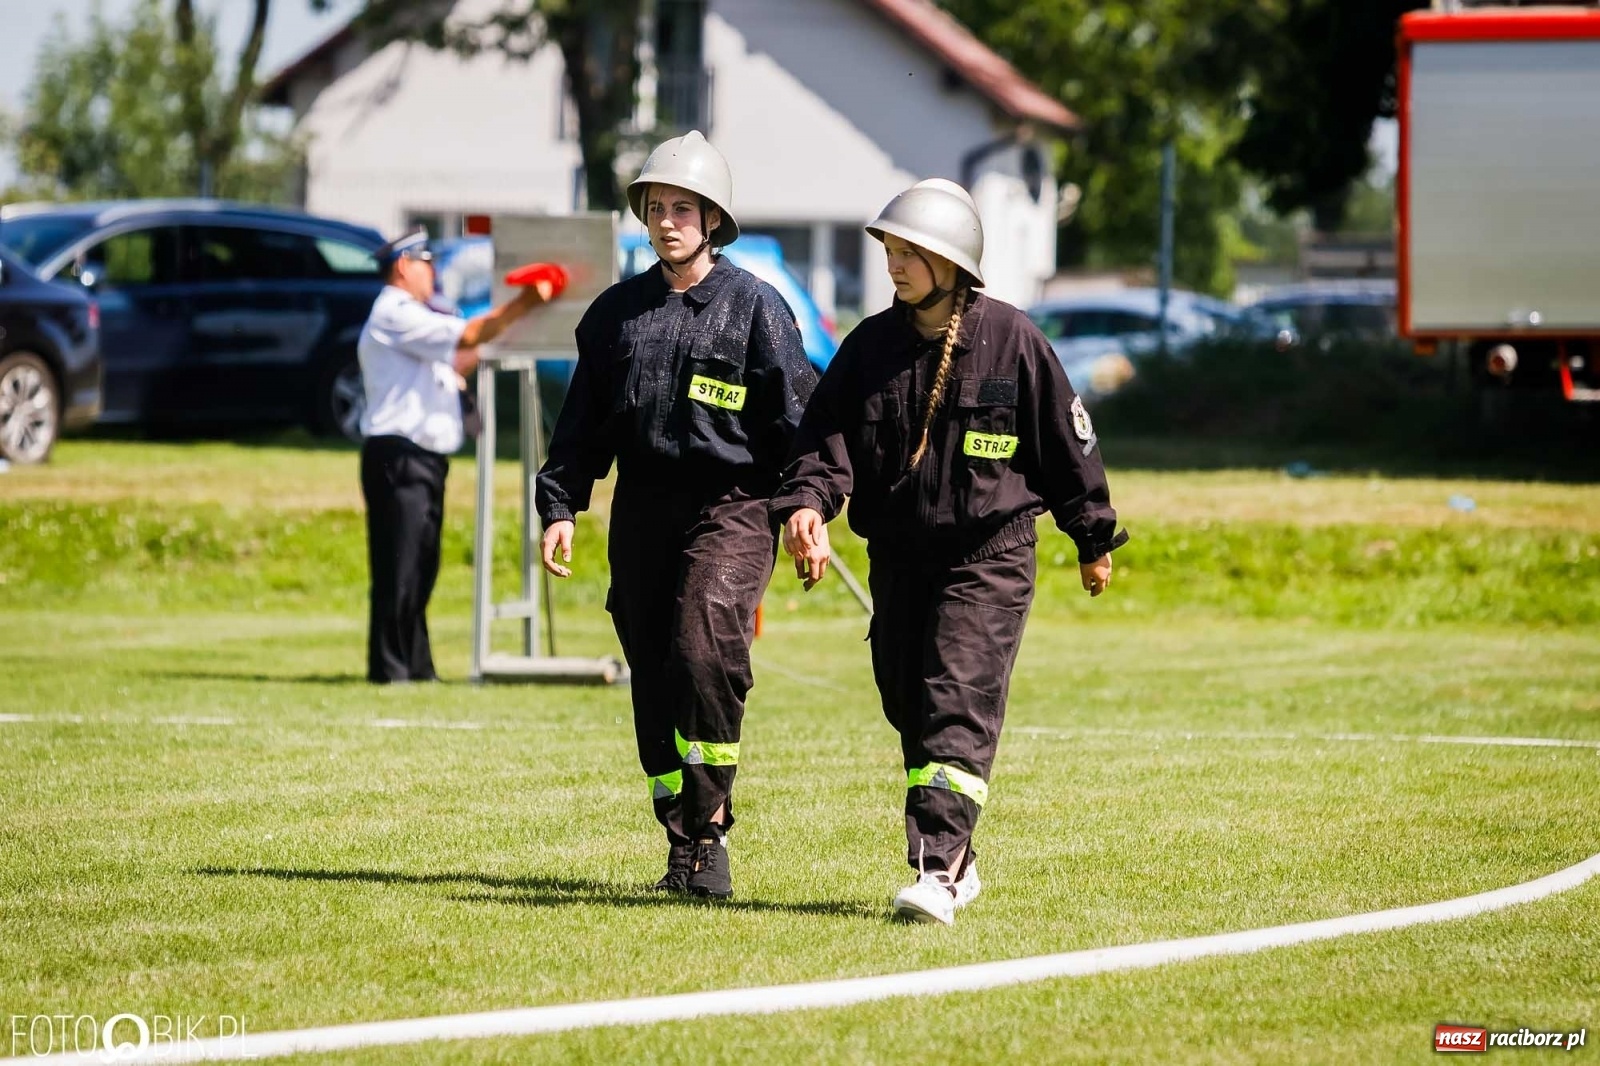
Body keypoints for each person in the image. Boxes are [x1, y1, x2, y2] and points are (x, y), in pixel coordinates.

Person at [769, 179, 1128, 925]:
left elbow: (1068, 446)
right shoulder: (869, 348)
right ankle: (961, 863)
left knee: (954, 698)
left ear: (952, 261)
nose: (893, 265)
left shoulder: (1014, 340)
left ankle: (936, 868)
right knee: (908, 699)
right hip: (899, 559)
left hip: (989, 556)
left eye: (910, 252)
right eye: (891, 251)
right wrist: (807, 506)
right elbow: (824, 442)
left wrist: (1092, 536)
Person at [534, 131, 816, 900]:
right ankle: (681, 837)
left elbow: (802, 423)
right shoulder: (616, 316)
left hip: (733, 506)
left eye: (683, 209)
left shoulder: (756, 309)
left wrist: (806, 505)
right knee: (655, 672)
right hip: (643, 508)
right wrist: (560, 506)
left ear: (713, 219)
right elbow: (581, 427)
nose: (667, 222)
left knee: (703, 647)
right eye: (656, 208)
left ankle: (710, 825)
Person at [359, 226, 559, 684]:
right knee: (399, 566)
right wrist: (528, 301)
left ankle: (416, 666)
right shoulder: (395, 312)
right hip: (398, 455)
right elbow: (469, 334)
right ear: (403, 266)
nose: (432, 273)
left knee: (421, 565)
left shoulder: (415, 316)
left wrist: (511, 324)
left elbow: (462, 355)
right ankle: (390, 669)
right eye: (425, 263)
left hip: (421, 457)